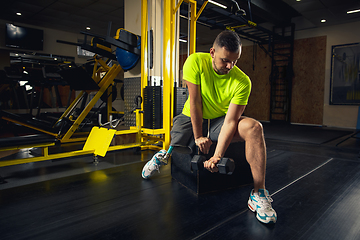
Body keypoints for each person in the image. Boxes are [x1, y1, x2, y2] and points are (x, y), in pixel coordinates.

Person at [142, 30, 277, 224]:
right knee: (177, 138)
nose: (229, 66)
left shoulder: (243, 81)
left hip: (219, 120)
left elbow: (231, 121)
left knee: (254, 128)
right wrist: (198, 137)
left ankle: (259, 193)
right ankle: (162, 156)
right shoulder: (194, 61)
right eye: (224, 60)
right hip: (191, 114)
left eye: (234, 61)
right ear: (212, 52)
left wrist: (217, 155)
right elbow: (195, 102)